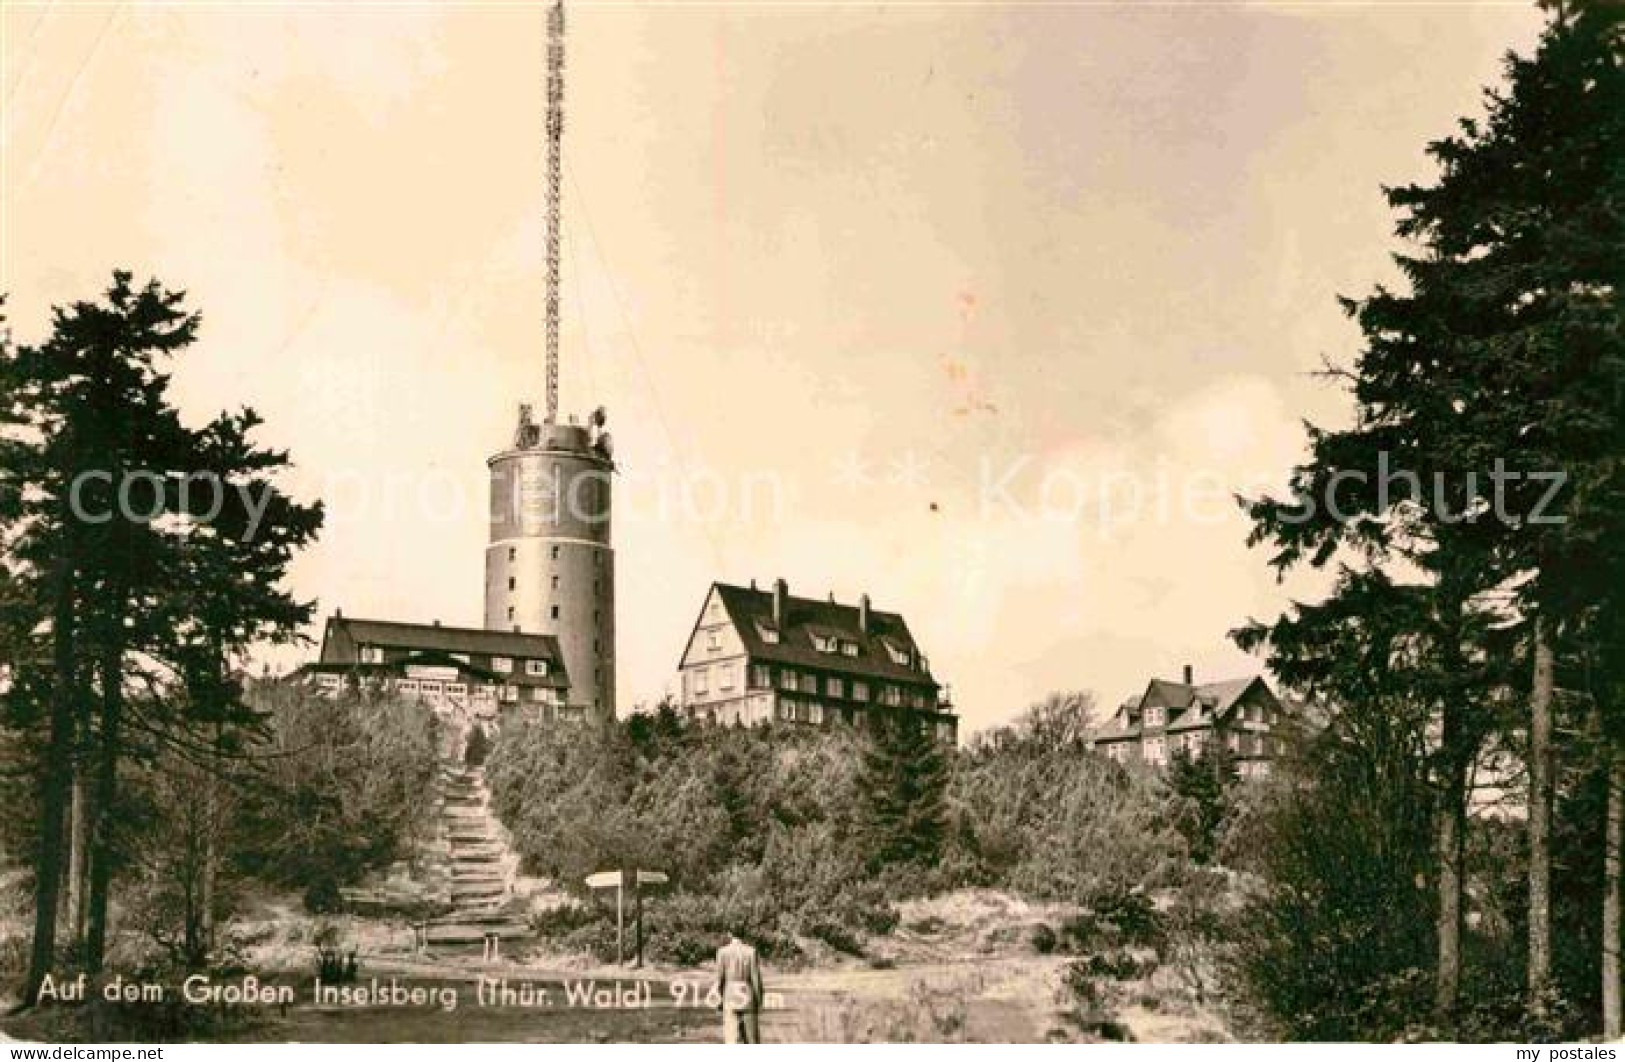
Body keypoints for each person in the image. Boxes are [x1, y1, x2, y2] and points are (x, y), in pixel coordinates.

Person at [713, 931, 764, 1044]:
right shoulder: (751, 951)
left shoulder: (722, 952)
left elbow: (719, 979)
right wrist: (759, 1001)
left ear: (730, 934)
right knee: (751, 1039)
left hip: (730, 995)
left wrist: (719, 1000)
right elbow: (756, 979)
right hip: (747, 995)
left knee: (731, 1038)